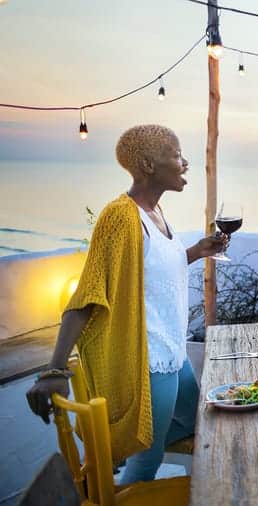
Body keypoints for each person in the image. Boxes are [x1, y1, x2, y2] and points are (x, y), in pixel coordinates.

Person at [25, 124, 227, 484]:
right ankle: (115, 480)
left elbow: (152, 270)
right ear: (149, 164)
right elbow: (88, 295)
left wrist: (197, 251)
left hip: (172, 353)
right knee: (144, 464)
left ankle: (111, 459)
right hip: (146, 362)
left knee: (196, 423)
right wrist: (55, 369)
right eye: (177, 154)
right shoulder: (120, 216)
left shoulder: (156, 214)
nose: (185, 163)